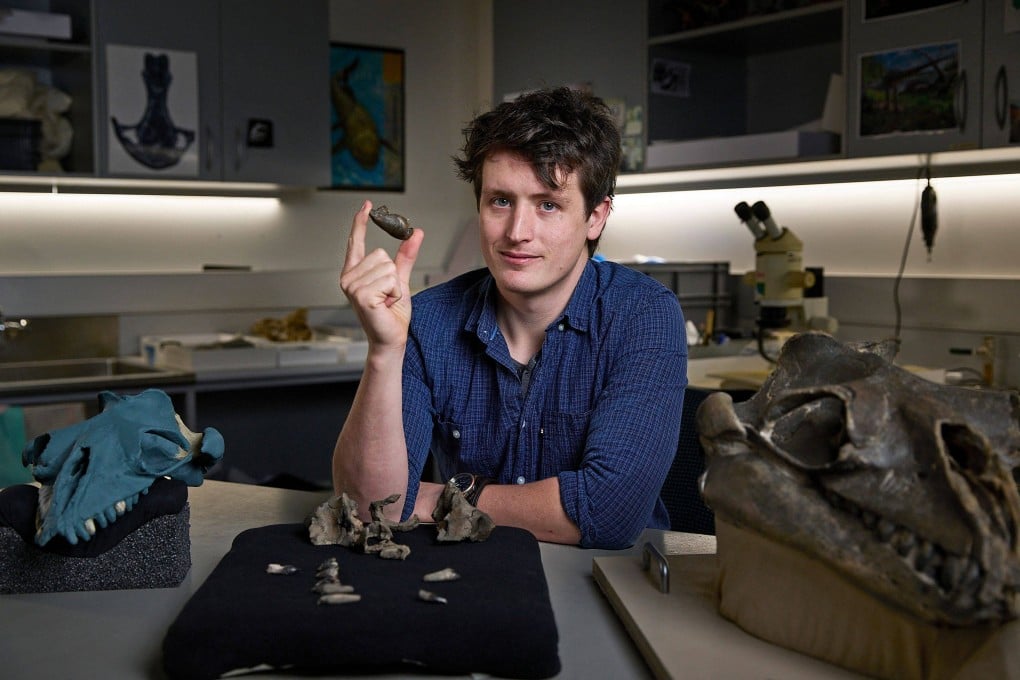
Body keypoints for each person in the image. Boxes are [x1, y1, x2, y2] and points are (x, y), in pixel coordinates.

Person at [333, 87, 687, 549]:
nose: (517, 233)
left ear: (596, 217)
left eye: (548, 205)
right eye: (500, 201)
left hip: (615, 582)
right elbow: (367, 506)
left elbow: (609, 513)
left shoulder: (645, 316)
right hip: (472, 578)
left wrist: (445, 498)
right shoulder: (428, 321)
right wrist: (384, 351)